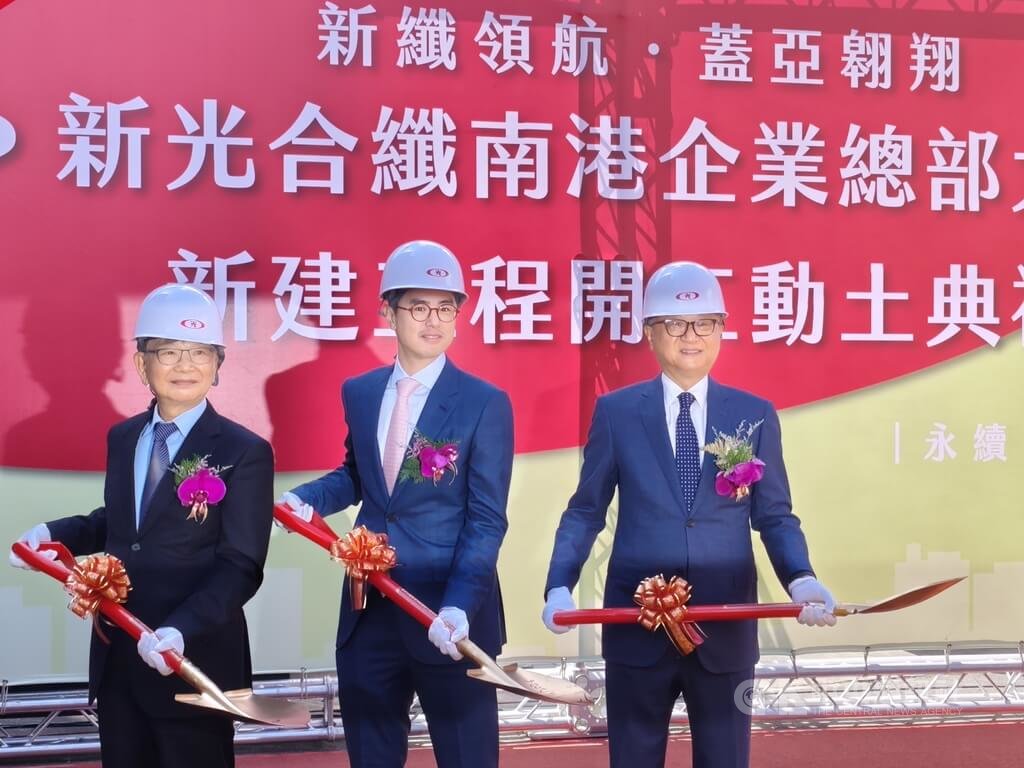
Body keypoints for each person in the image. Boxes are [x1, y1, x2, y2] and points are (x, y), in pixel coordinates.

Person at [541, 261, 836, 768]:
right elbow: (586, 510)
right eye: (675, 324)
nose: (691, 336)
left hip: (725, 629)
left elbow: (775, 515)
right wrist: (558, 585)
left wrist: (801, 578)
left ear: (721, 329)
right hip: (637, 627)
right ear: (650, 332)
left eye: (705, 323)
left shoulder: (753, 414)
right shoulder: (617, 412)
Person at [10, 284, 274, 768]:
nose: (184, 365)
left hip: (191, 662)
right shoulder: (124, 437)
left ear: (218, 365)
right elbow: (124, 523)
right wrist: (53, 533)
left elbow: (241, 565)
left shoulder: (244, 451)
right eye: (168, 352)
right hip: (120, 656)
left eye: (199, 353)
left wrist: (181, 629)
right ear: (141, 364)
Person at [280, 240, 514, 768]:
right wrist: (305, 499)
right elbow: (357, 476)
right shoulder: (361, 392)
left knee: (467, 755)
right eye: (418, 307)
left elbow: (486, 519)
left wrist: (458, 605)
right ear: (388, 311)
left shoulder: (484, 403)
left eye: (445, 308)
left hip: (448, 612)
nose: (433, 321)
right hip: (370, 608)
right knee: (372, 753)